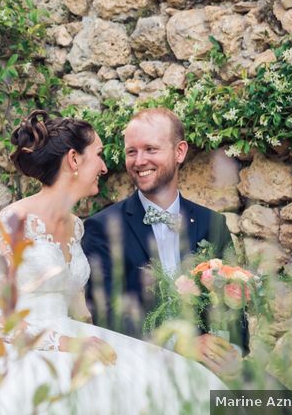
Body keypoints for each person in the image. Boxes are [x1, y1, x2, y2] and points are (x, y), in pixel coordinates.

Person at [0, 110, 225, 415]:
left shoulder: (76, 226)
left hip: (70, 332)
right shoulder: (13, 221)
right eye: (99, 155)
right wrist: (65, 343)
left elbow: (76, 304)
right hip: (16, 348)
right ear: (74, 160)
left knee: (183, 379)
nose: (104, 168)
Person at [81, 108, 248, 380]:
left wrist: (231, 350)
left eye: (150, 149)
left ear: (179, 152)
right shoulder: (102, 227)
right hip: (141, 365)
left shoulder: (212, 223)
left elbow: (234, 299)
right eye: (131, 151)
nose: (139, 160)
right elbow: (107, 315)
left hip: (212, 366)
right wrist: (179, 344)